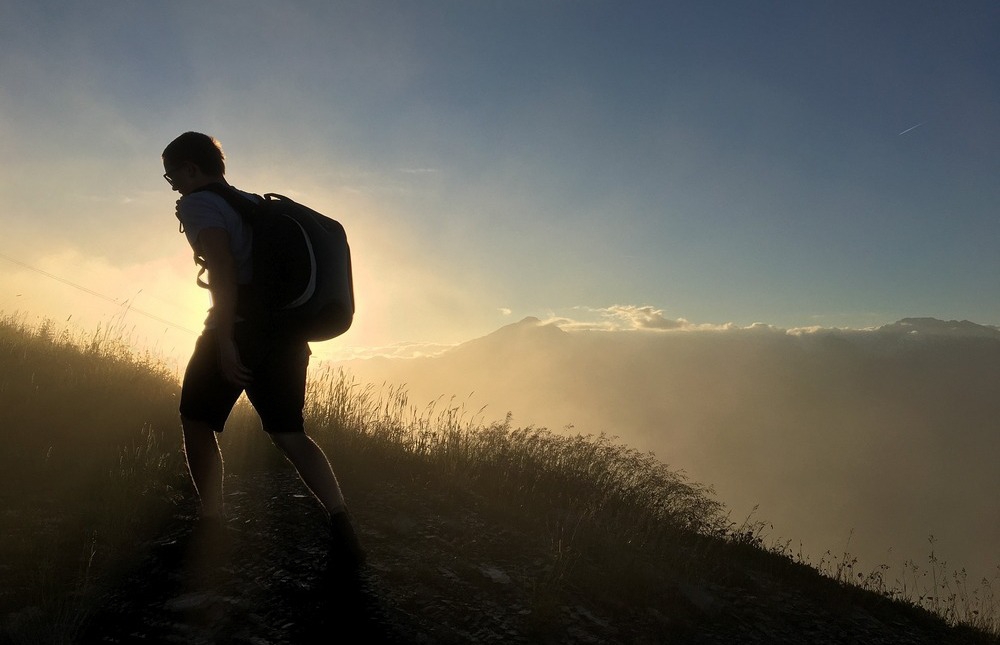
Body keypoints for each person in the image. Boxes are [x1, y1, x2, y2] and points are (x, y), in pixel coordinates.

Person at [162, 131, 363, 571]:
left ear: (191, 169)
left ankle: (212, 522)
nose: (171, 183)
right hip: (287, 335)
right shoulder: (250, 202)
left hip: (240, 330)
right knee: (289, 433)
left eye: (171, 173)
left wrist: (226, 341)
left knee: (196, 421)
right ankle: (341, 524)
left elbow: (223, 269)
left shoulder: (199, 204)